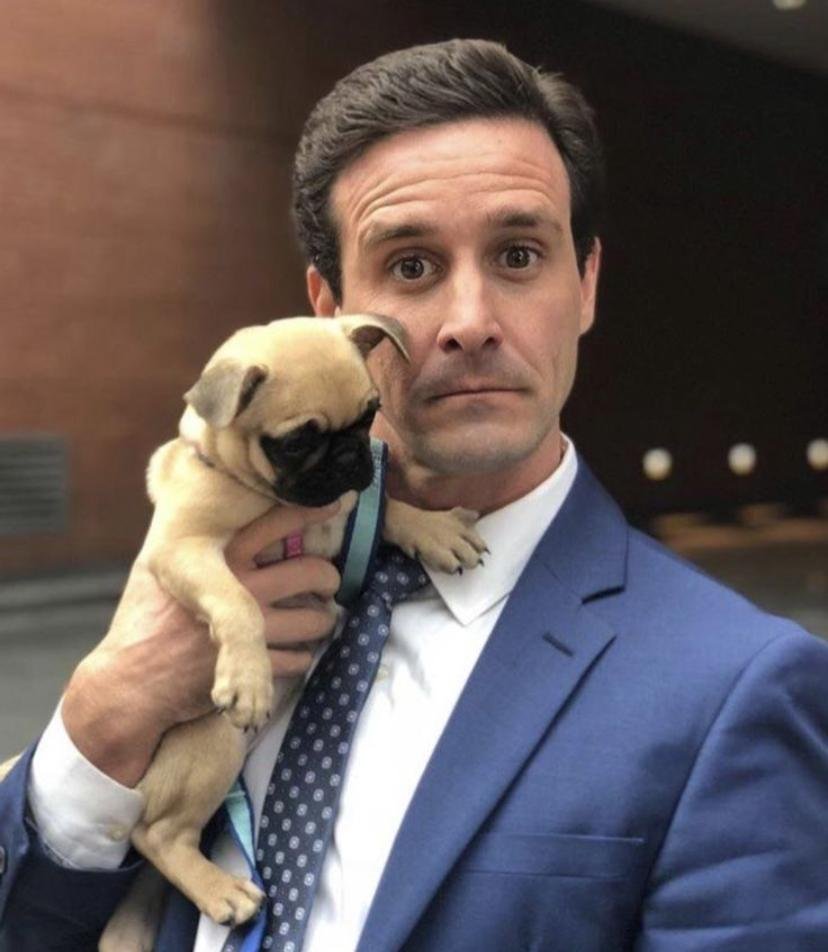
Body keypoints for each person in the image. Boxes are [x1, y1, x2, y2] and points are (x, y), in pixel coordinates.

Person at [1, 38, 826, 952]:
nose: (470, 323)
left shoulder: (737, 690)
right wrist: (104, 717)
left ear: (586, 285)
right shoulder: (201, 581)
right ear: (330, 310)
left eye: (519, 254)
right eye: (410, 266)